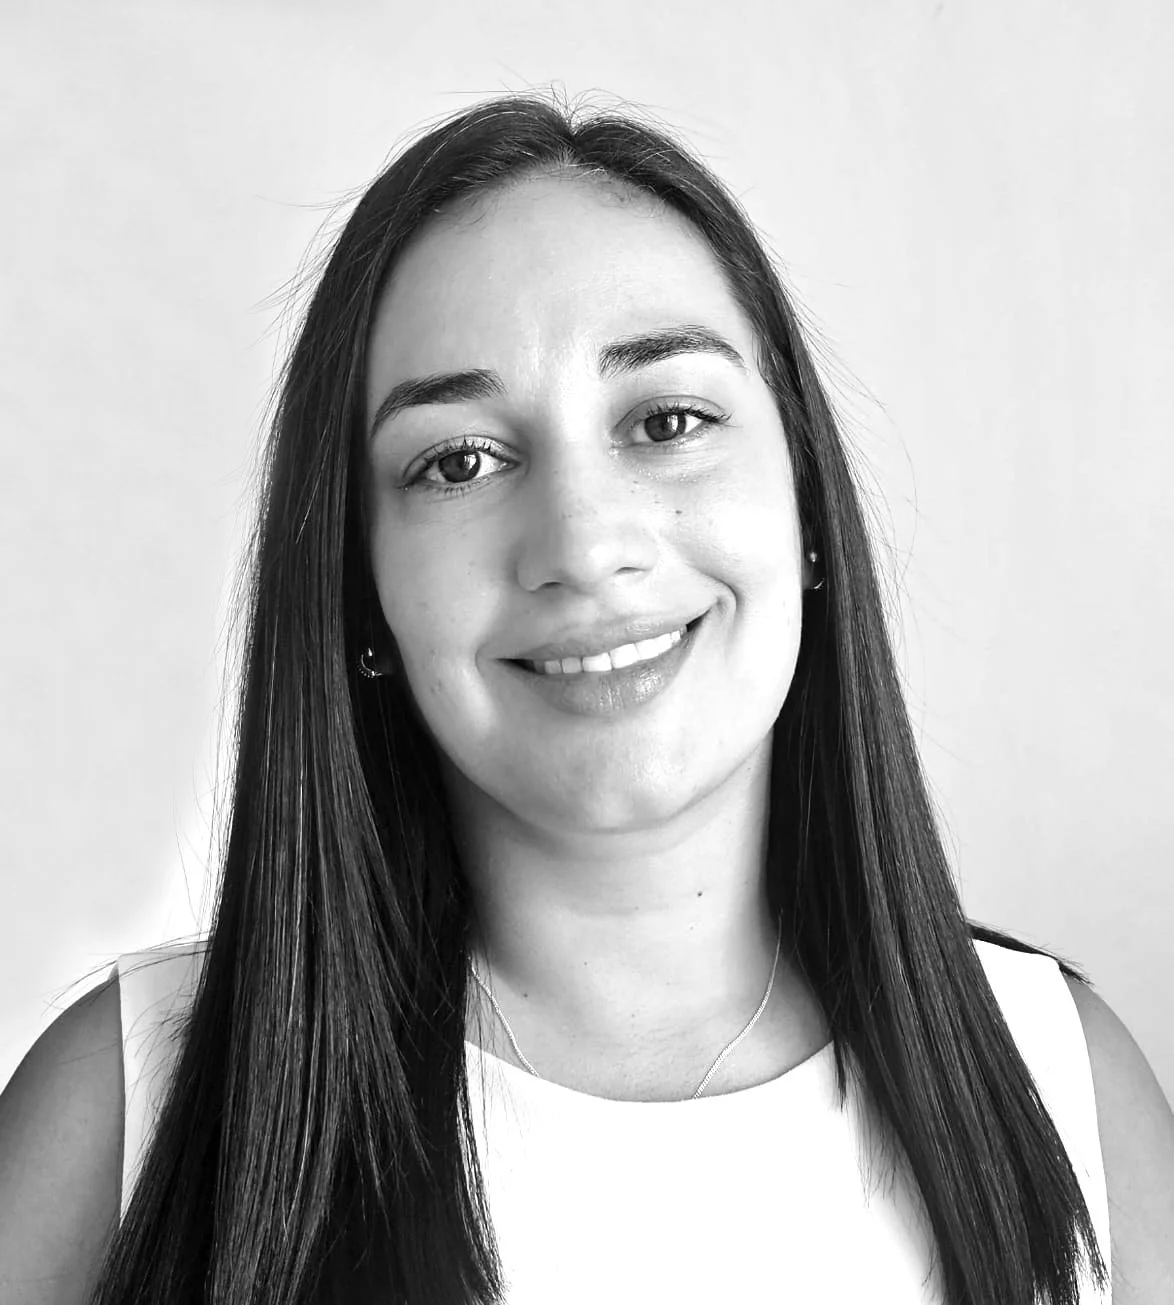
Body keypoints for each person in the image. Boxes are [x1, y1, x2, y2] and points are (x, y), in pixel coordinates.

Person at [1, 89, 1171, 1305]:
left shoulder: (1065, 1080)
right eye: (458, 461)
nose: (582, 542)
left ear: (807, 505)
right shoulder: (126, 1109)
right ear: (362, 593)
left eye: (667, 420)